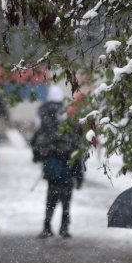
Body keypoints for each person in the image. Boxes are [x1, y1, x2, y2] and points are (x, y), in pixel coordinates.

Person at [31, 85, 83, 238]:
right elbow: (77, 154)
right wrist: (79, 177)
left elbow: (39, 144)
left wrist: (39, 157)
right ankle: (64, 228)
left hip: (53, 171)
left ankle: (47, 227)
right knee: (66, 203)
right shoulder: (72, 130)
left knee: (51, 201)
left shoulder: (46, 119)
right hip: (67, 172)